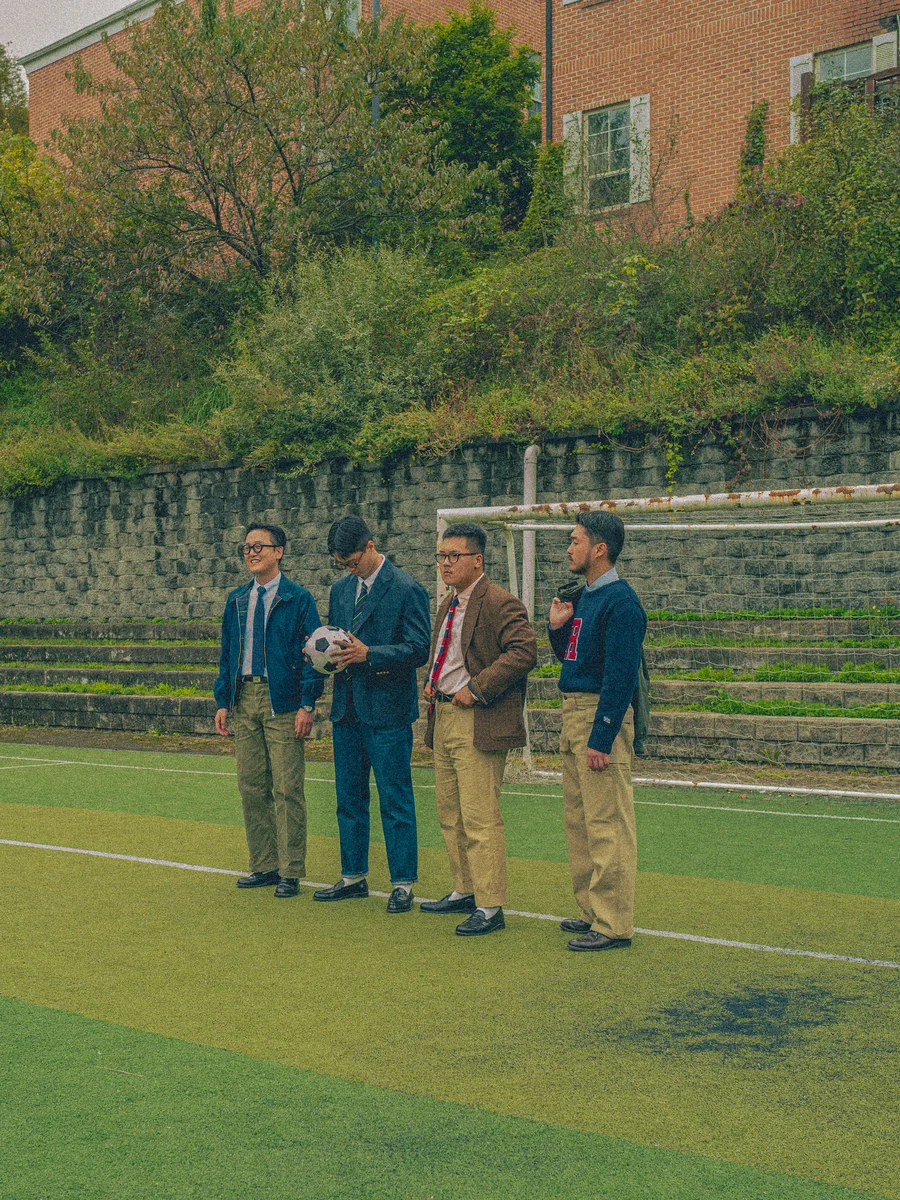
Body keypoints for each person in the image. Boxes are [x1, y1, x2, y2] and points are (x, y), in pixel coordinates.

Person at [421, 521, 537, 936]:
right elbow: (448, 656)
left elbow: (524, 652)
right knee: (450, 813)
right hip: (445, 715)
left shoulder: (500, 602)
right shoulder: (448, 605)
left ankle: (490, 905)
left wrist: (477, 687)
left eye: (454, 556)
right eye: (441, 556)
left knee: (480, 817)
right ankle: (464, 890)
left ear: (477, 560)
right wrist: (433, 683)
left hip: (478, 719)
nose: (445, 564)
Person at [312, 516, 431, 913]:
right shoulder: (341, 589)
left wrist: (370, 654)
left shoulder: (406, 587)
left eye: (351, 561)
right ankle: (353, 877)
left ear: (370, 546)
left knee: (395, 799)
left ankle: (402, 883)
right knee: (348, 798)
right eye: (341, 563)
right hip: (346, 709)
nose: (347, 568)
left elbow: (418, 649)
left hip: (388, 711)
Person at [547, 511, 647, 951]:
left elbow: (621, 675)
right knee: (580, 822)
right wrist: (557, 629)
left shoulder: (622, 603)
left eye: (575, 541)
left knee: (607, 822)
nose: (569, 548)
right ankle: (592, 910)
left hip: (596, 715)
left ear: (599, 548)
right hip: (574, 713)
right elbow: (573, 660)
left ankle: (612, 923)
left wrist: (602, 736)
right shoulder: (584, 597)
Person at [214, 522, 324, 898]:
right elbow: (227, 655)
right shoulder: (236, 600)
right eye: (246, 548)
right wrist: (222, 701)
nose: (252, 553)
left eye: (259, 546)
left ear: (279, 552)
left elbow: (315, 655)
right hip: (244, 699)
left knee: (287, 787)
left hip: (283, 701)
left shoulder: (298, 599)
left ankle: (291, 870)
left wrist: (307, 703)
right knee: (251, 786)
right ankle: (263, 865)